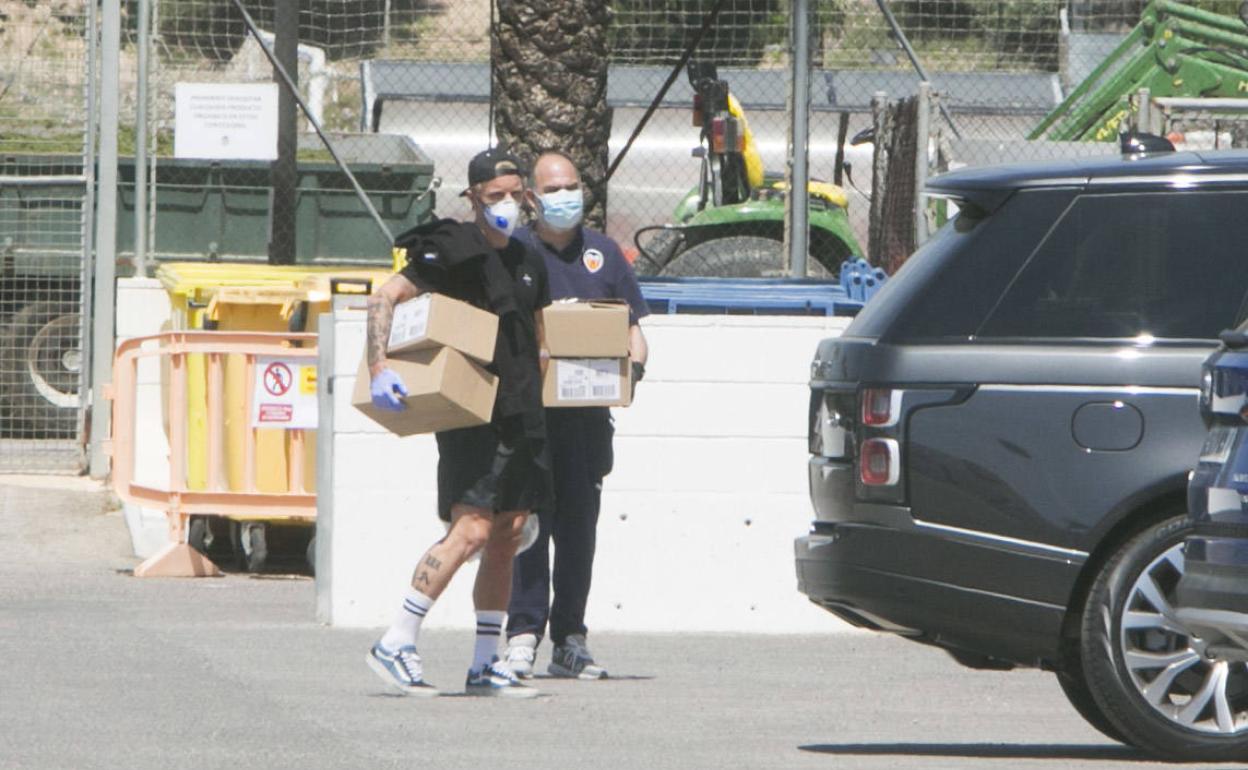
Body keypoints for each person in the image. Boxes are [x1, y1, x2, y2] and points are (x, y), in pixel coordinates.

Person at [364, 148, 552, 698]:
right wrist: (380, 367)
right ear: (473, 198)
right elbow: (387, 299)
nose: (508, 205)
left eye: (516, 195)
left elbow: (537, 340)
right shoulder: (452, 249)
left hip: (522, 418)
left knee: (508, 535)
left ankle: (485, 662)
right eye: (496, 196)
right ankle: (397, 639)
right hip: (473, 416)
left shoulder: (528, 259)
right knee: (470, 530)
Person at [503, 150, 650, 680]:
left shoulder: (605, 255)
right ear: (532, 198)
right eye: (554, 189)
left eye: (572, 186)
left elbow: (633, 330)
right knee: (527, 526)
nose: (566, 197)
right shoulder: (513, 252)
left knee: (578, 530)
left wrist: (633, 370)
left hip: (586, 422)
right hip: (528, 421)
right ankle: (522, 633)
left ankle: (570, 638)